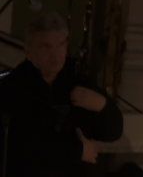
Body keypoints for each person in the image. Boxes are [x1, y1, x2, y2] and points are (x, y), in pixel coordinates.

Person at [0, 11, 124, 177]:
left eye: (60, 45)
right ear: (28, 51)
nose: (55, 55)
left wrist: (102, 105)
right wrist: (78, 150)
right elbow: (24, 144)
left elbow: (113, 132)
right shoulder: (13, 87)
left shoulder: (75, 80)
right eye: (46, 47)